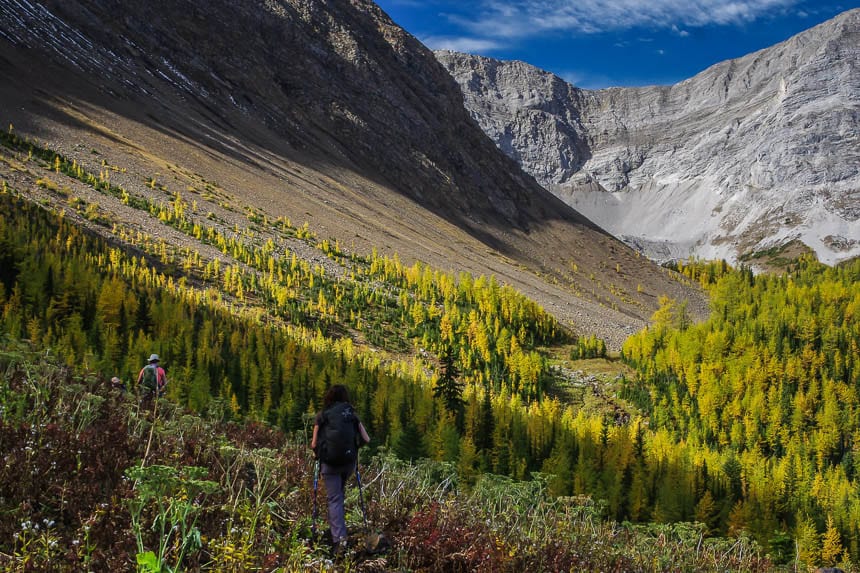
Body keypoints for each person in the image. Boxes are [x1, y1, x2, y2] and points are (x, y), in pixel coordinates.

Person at [310, 385, 370, 552]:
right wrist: (355, 446)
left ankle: (339, 540)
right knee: (338, 496)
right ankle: (339, 532)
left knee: (334, 499)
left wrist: (317, 454)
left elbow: (314, 443)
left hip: (329, 463)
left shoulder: (322, 416)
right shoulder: (351, 415)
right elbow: (366, 438)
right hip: (348, 463)